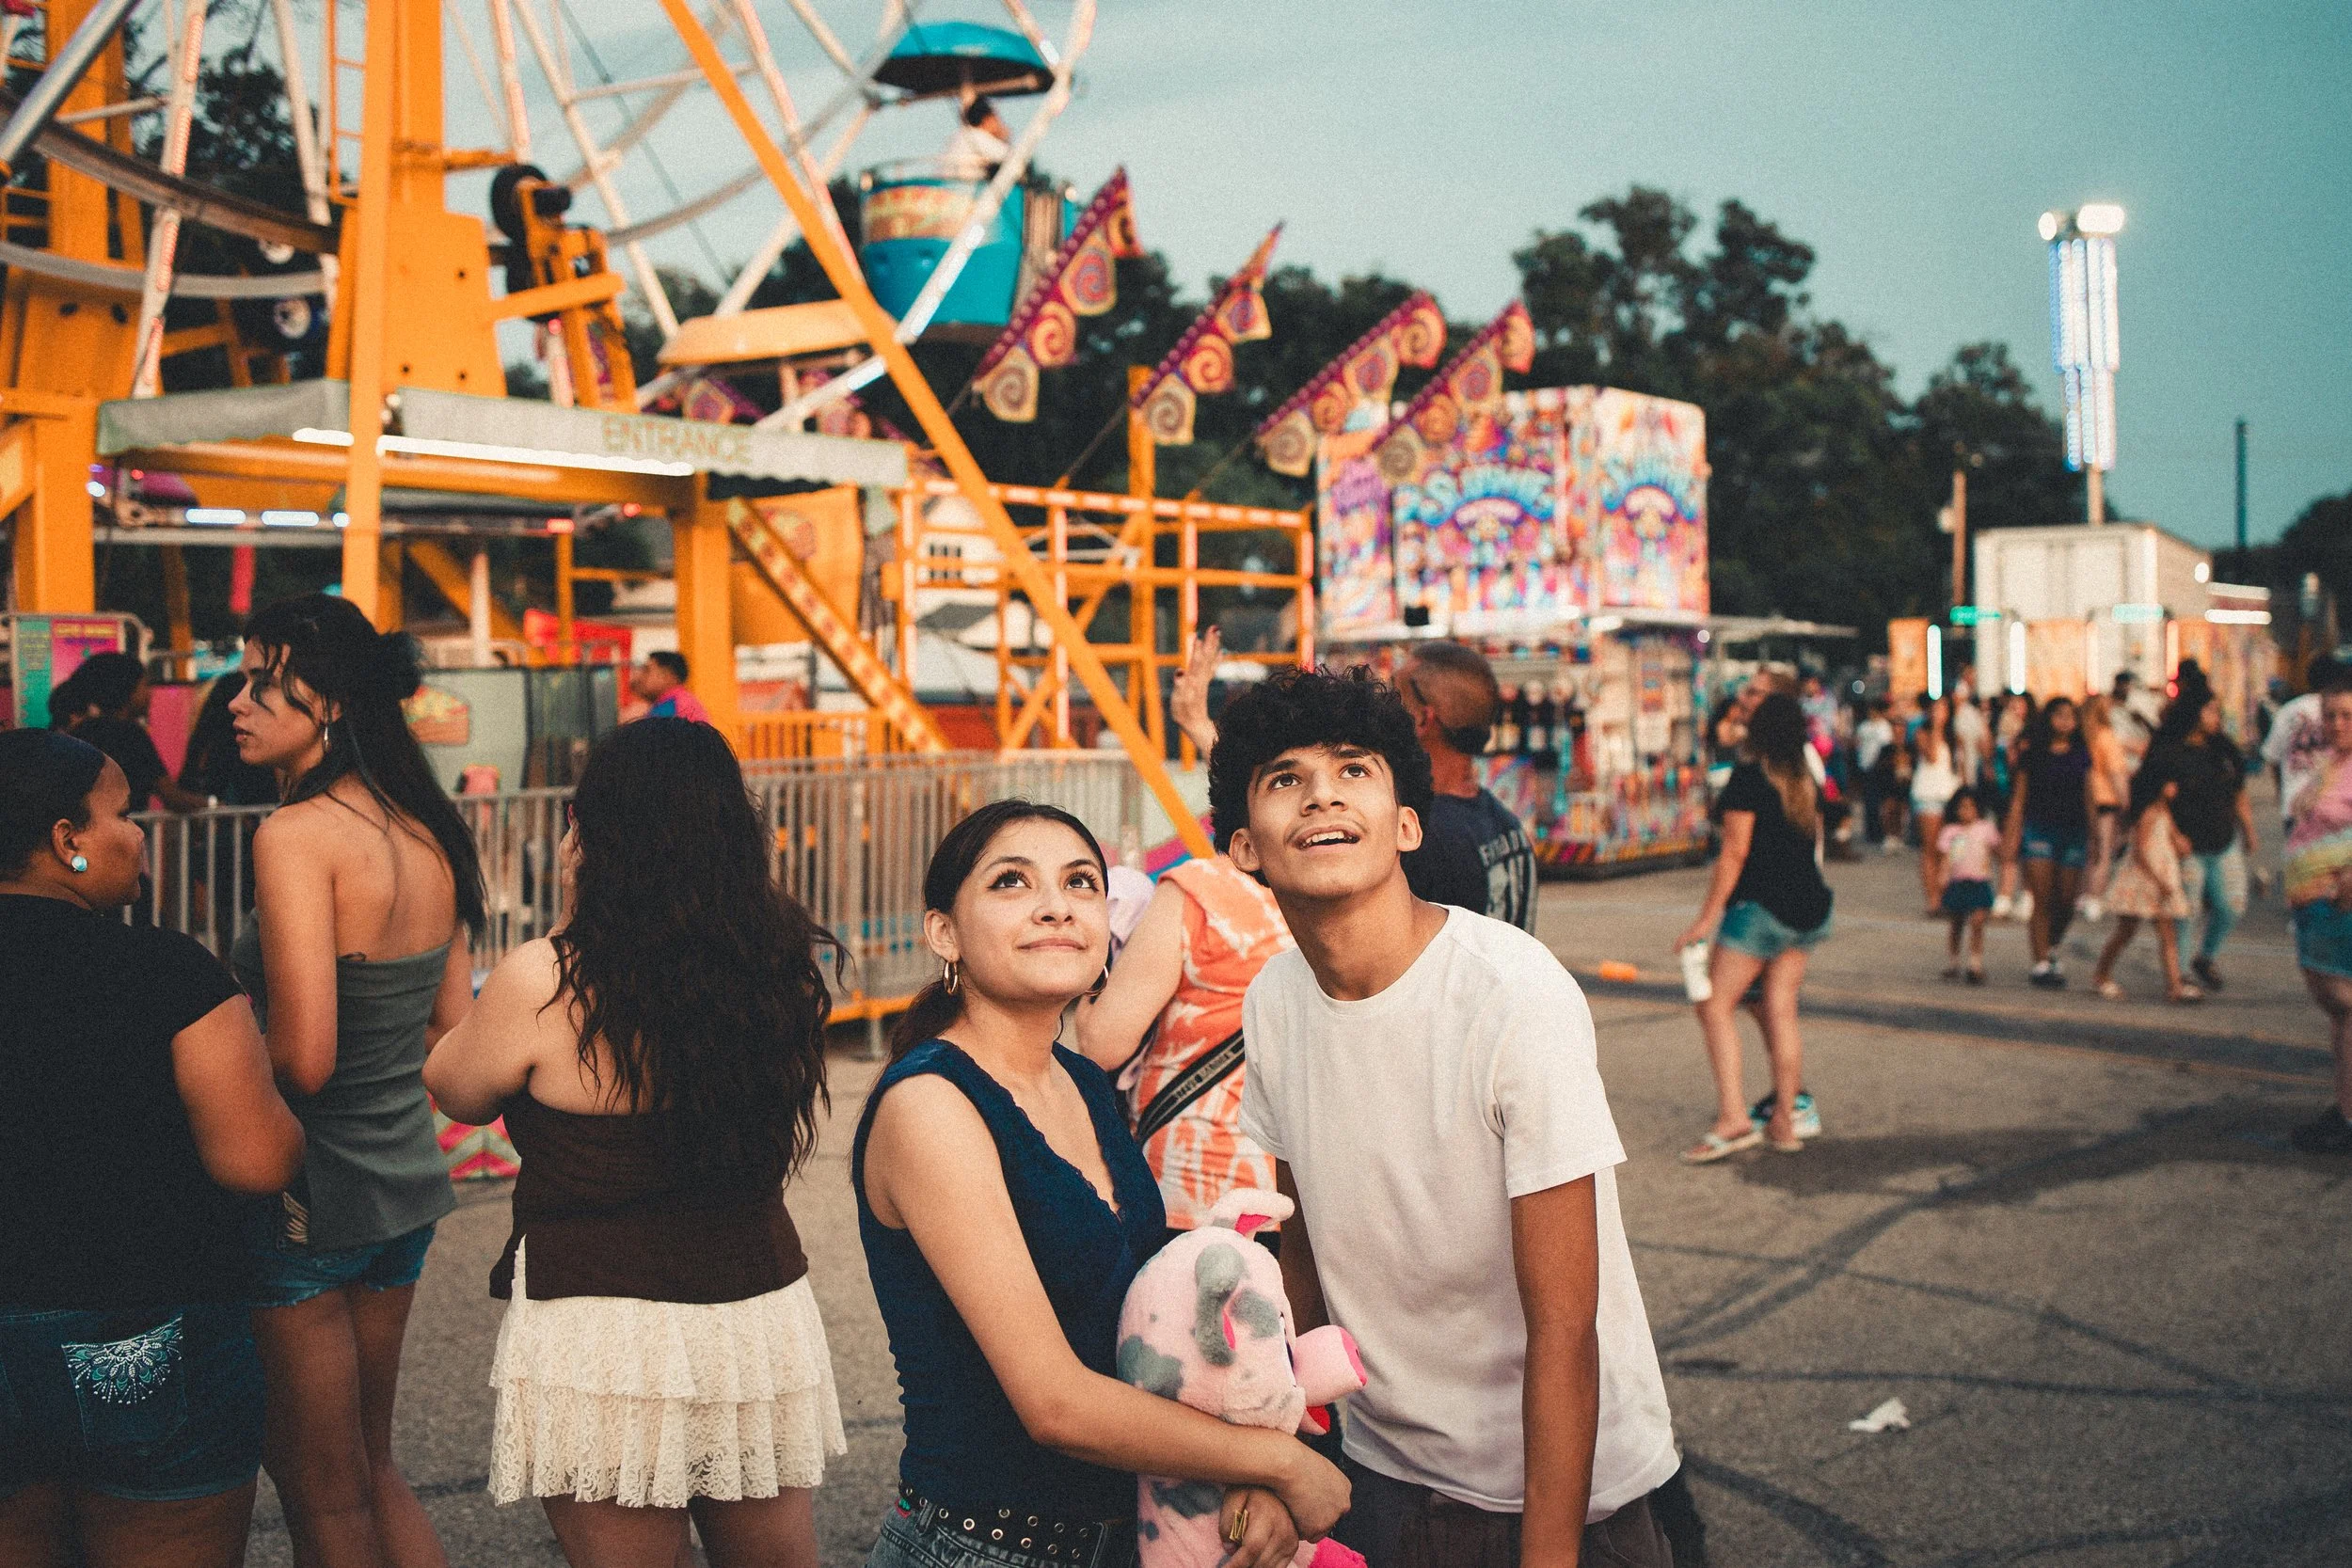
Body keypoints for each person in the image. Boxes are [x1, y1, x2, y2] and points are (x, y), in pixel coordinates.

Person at [1202, 667, 1677, 1568]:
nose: (1321, 796)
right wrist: (1281, 1447)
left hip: (1560, 1493)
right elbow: (1302, 1249)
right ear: (1244, 846)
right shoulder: (1272, 1001)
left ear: (1407, 823)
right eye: (1284, 779)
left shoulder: (1512, 993)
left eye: (1353, 770)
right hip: (1384, 1473)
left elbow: (1566, 1323)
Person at [853, 799, 1348, 1568]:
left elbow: (1161, 1324)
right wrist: (1278, 1464)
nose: (1057, 905)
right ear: (943, 932)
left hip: (1134, 1536)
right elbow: (1053, 1401)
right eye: (1012, 882)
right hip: (984, 1548)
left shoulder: (1084, 1083)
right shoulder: (931, 1105)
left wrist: (1246, 1474)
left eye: (1082, 882)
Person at [424, 719, 847, 1564]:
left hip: (601, 1326)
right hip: (752, 1307)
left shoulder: (546, 978)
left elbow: (454, 1086)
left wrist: (568, 911)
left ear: (587, 831)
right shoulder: (778, 962)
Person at [0, 729, 305, 1568]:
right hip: (142, 1328)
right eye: (123, 813)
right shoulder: (168, 971)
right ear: (68, 841)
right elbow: (256, 1159)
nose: (139, 832)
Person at [227, 594, 487, 1568]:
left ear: (328, 701)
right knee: (375, 1469)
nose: (237, 701)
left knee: (321, 1493)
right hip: (402, 1188)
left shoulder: (296, 836)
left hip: (308, 1195)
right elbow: (453, 1031)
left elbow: (306, 1058)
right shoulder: (427, 830)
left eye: (260, 678)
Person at [1076, 630, 1295, 1240]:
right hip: (1289, 1192)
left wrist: (1093, 963)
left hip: (1190, 1191)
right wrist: (1199, 724)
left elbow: (1101, 1043)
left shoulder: (1199, 892)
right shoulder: (1323, 910)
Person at [1676, 693, 1833, 1162]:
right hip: (1807, 909)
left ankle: (1733, 1118)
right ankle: (1785, 1119)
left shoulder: (1748, 778)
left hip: (1761, 910)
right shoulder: (1804, 779)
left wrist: (1705, 920)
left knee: (1714, 1006)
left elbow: (1734, 853)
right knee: (1781, 1010)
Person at [1394, 641, 1537, 931]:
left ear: (1423, 718)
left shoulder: (1421, 837)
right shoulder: (1507, 825)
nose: (1385, 713)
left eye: (1396, 700)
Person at [2280, 673, 2352, 1154]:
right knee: (2338, 1010)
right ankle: (2345, 1103)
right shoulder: (2329, 762)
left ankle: (2348, 1116)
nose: (2337, 723)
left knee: (2344, 1002)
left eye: (2347, 715)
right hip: (2312, 901)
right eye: (2330, 715)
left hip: (2338, 896)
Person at [2145, 689, 2255, 993]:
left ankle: (2205, 956)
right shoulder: (2169, 752)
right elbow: (2152, 798)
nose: (2216, 718)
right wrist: (2173, 835)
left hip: (2223, 839)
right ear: (2193, 714)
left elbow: (2238, 791)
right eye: (2210, 711)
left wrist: (2248, 829)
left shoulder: (2223, 751)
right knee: (2186, 909)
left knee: (2231, 903)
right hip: (2186, 843)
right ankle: (2180, 972)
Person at [45, 651, 212, 813]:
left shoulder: (77, 733)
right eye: (144, 684)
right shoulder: (131, 735)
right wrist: (213, 804)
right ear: (127, 688)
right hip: (124, 833)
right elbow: (171, 796)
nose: (149, 693)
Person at [2005, 696, 2095, 989]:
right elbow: (2019, 797)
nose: (2065, 721)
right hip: (2038, 829)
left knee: (2067, 899)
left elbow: (2089, 795)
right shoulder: (2034, 754)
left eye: (2071, 716)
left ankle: (2051, 943)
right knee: (2041, 897)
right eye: (2059, 715)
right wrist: (2012, 833)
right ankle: (2041, 961)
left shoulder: (2081, 754)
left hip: (2073, 830)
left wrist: (2096, 835)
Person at [2090, 776, 2200, 1005]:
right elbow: (2140, 851)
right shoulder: (2149, 813)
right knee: (2126, 931)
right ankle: (2101, 973)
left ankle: (2175, 985)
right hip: (2143, 880)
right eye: (2170, 782)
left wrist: (2181, 845)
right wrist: (2160, 881)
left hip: (2160, 878)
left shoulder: (2165, 813)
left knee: (2167, 932)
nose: (2174, 787)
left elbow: (2172, 841)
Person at [2078, 694, 2132, 921]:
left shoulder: (2084, 737)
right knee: (2104, 853)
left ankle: (2083, 894)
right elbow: (2116, 773)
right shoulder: (2106, 737)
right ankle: (2095, 897)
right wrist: (2126, 802)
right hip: (2106, 799)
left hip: (2086, 798)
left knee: (2091, 851)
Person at [1937, 788, 1998, 984]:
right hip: (1958, 882)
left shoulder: (1985, 829)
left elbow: (1996, 848)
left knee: (1978, 921)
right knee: (1956, 923)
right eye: (1962, 807)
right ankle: (1953, 961)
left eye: (1971, 807)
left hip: (1979, 881)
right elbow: (1947, 857)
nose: (1966, 811)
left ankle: (1975, 963)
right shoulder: (1951, 832)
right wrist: (1943, 876)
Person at [1910, 695, 1961, 915]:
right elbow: (1931, 756)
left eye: (1943, 709)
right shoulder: (1922, 733)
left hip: (1949, 795)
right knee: (1931, 848)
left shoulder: (1953, 735)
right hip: (1929, 796)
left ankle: (1946, 895)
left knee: (1948, 850)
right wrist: (1937, 728)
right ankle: (1933, 900)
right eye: (1935, 709)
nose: (1938, 713)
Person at [1854, 696, 1898, 849]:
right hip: (1865, 767)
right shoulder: (1864, 727)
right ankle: (1870, 831)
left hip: (1878, 769)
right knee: (1868, 801)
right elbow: (1857, 744)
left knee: (1877, 802)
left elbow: (1886, 749)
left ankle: (1879, 831)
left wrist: (1878, 764)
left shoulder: (1884, 727)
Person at [630, 650, 710, 723]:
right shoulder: (681, 700)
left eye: (647, 670)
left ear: (666, 676)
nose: (640, 677)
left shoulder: (672, 706)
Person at [941, 97, 1009, 180]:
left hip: (946, 186)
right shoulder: (978, 136)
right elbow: (1011, 157)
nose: (999, 123)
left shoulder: (958, 136)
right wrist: (1005, 138)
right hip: (967, 187)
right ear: (987, 119)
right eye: (996, 119)